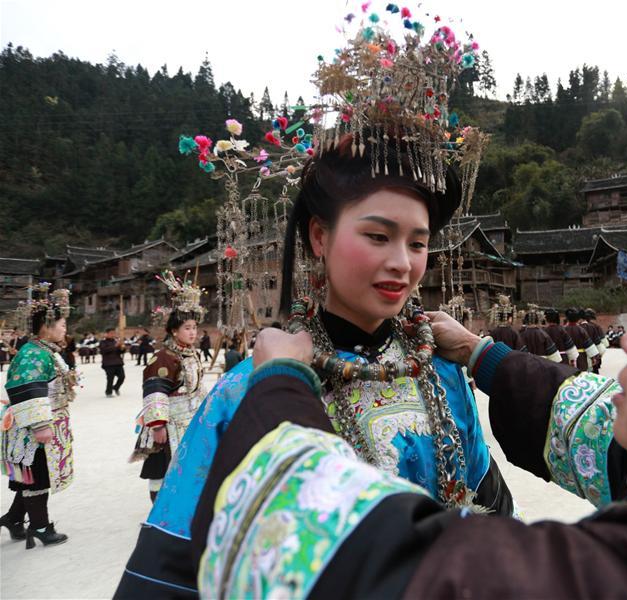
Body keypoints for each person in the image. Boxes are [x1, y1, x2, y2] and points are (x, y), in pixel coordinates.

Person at [192, 85, 627, 598]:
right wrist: (488, 357)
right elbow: (595, 427)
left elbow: (363, 563)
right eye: (375, 235)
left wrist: (280, 391)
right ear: (319, 237)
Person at [114, 15, 511, 595]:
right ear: (319, 238)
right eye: (377, 236)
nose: (402, 261)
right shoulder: (250, 391)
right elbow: (174, 569)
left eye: (418, 242)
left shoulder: (442, 371)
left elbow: (494, 519)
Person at [0, 285, 76, 548]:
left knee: (31, 476)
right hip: (32, 427)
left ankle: (13, 519)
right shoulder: (34, 354)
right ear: (47, 325)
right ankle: (40, 526)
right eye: (62, 323)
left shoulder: (46, 350)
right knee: (37, 476)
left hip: (45, 421)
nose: (65, 328)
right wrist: (40, 424)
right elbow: (27, 388)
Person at [128, 271, 206, 503]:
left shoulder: (190, 354)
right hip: (169, 425)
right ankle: (159, 513)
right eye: (187, 328)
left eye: (194, 327)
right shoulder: (164, 357)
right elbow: (155, 392)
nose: (192, 332)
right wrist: (158, 424)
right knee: (161, 470)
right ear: (174, 331)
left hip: (189, 423)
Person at [99, 327, 126, 397]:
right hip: (108, 363)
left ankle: (116, 387)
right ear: (107, 334)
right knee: (110, 378)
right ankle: (108, 392)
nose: (113, 334)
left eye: (114, 333)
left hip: (118, 362)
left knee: (122, 377)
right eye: (111, 333)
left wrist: (122, 348)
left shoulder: (115, 341)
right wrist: (115, 346)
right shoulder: (103, 342)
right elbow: (103, 351)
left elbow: (120, 352)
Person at [581, 308, 607, 373]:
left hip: (581, 356)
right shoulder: (596, 326)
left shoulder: (579, 326)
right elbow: (605, 343)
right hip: (595, 354)